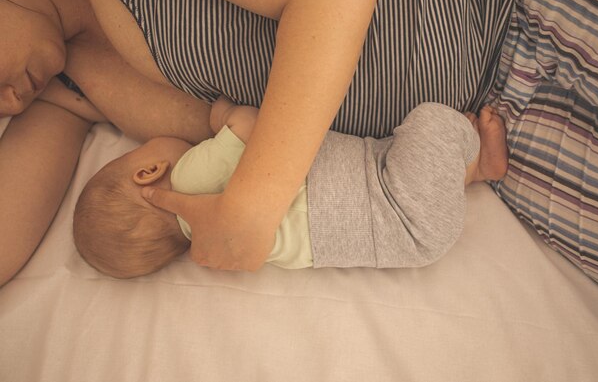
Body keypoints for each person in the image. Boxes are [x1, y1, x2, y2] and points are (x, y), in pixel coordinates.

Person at [1, 0, 524, 285]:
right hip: (468, 127)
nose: (8, 104)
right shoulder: (61, 83)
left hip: (499, 7)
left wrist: (251, 207)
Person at [73, 98, 508, 278]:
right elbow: (252, 125)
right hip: (398, 203)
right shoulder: (188, 178)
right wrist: (221, 116)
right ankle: (473, 159)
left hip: (411, 237)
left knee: (391, 153)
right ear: (147, 172)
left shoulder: (214, 246)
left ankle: (470, 173)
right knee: (431, 118)